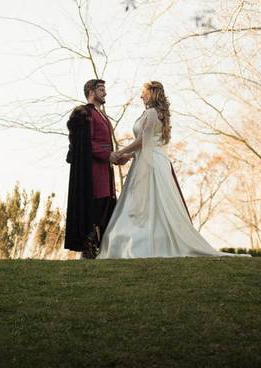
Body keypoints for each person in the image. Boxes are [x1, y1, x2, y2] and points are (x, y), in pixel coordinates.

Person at [99, 81, 233, 258]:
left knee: (154, 201)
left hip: (152, 164)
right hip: (146, 160)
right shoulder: (153, 113)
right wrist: (128, 157)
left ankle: (151, 241)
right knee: (144, 201)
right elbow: (148, 145)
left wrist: (120, 152)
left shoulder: (153, 113)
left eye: (144, 92)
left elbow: (144, 141)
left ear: (153, 94)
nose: (141, 96)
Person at [64, 78, 117, 259]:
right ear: (91, 92)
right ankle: (88, 248)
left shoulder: (104, 117)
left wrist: (116, 157)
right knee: (93, 209)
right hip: (92, 173)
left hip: (106, 172)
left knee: (107, 210)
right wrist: (107, 155)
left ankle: (103, 250)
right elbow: (87, 143)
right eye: (101, 89)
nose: (105, 92)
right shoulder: (84, 113)